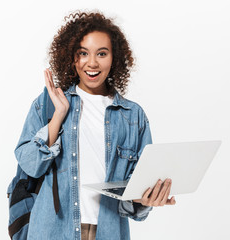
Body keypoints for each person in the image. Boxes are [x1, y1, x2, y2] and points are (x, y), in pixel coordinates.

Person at [14, 11, 176, 240]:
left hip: (108, 233)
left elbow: (136, 189)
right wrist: (59, 115)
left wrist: (145, 199)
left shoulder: (133, 116)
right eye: (83, 53)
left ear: (114, 58)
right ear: (72, 57)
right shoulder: (49, 104)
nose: (92, 63)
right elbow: (30, 164)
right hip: (52, 232)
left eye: (102, 53)